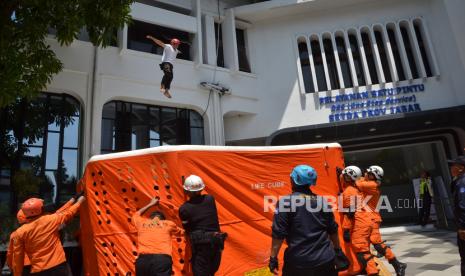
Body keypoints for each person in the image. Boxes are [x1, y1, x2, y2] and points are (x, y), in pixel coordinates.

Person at [269, 165, 348, 276]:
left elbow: (278, 234)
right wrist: (338, 250)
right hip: (325, 259)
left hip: (299, 262)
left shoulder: (285, 202)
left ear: (293, 180)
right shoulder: (322, 201)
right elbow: (332, 230)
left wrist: (273, 258)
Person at [10, 195, 85, 276]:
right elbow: (67, 213)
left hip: (38, 271)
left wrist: (17, 274)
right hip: (59, 266)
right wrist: (79, 202)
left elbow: (17, 257)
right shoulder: (50, 220)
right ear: (39, 210)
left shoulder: (19, 233)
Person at [352, 165, 406, 276]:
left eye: (370, 173)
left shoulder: (372, 185)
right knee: (372, 244)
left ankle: (395, 265)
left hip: (371, 218)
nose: (367, 174)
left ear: (375, 176)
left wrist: (346, 174)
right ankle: (395, 265)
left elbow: (356, 183)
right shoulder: (369, 182)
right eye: (367, 172)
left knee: (372, 245)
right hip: (368, 218)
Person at [179, 175, 226, 276]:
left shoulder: (184, 209)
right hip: (216, 241)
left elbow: (187, 228)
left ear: (186, 191)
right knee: (211, 271)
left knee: (200, 272)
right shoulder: (210, 199)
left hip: (201, 244)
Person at [132, 196, 184, 276]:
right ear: (162, 219)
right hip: (161, 260)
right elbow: (183, 232)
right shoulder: (168, 224)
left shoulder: (142, 223)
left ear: (150, 218)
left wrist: (151, 204)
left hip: (143, 261)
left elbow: (136, 215)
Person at [449, 156, 465, 276]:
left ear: (461, 168)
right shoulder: (458, 181)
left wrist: (462, 227)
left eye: (453, 165)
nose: (451, 168)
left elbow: (462, 206)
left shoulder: (462, 182)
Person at [340, 165, 363, 245]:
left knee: (360, 251)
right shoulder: (355, 187)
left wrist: (346, 230)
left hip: (354, 224)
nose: (343, 177)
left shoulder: (350, 191)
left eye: (346, 176)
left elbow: (350, 212)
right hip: (360, 221)